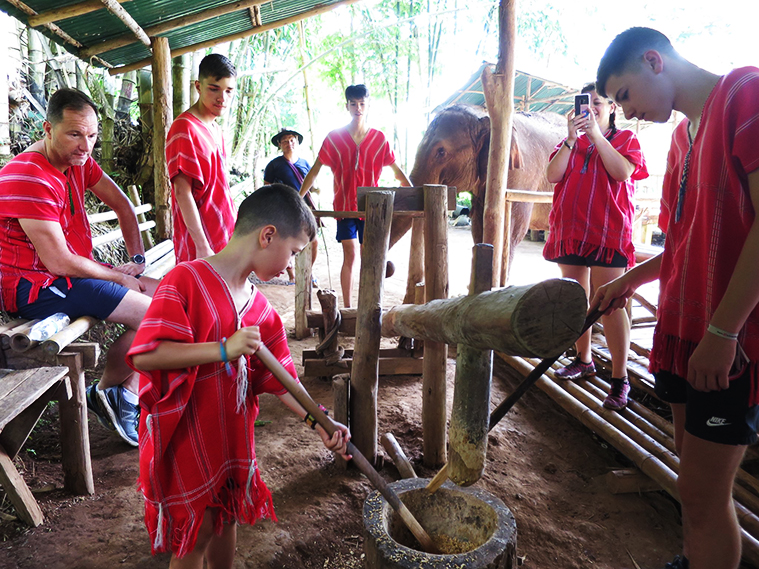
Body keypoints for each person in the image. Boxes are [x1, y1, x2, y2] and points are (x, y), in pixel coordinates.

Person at [593, 27, 759, 569]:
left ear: (653, 61)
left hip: (730, 343)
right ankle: (696, 558)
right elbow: (684, 244)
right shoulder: (685, 139)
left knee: (702, 494)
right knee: (692, 477)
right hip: (686, 333)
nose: (627, 112)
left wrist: (723, 331)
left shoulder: (745, 94)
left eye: (624, 96)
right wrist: (629, 280)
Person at [127, 184, 351, 568]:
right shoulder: (185, 281)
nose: (291, 265)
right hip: (189, 434)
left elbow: (281, 379)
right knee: (198, 531)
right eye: (294, 252)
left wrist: (321, 423)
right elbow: (147, 355)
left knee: (226, 513)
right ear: (267, 235)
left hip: (230, 437)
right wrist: (222, 350)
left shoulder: (260, 308)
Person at [0, 88, 159, 447]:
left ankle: (108, 392)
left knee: (169, 295)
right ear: (47, 129)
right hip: (36, 285)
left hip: (69, 275)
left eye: (91, 135)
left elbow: (122, 204)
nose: (84, 146)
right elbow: (57, 261)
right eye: (74, 134)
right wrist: (118, 277)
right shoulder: (28, 174)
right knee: (155, 315)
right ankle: (120, 394)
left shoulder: (79, 162)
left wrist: (135, 264)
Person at [544, 82, 649, 411]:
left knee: (611, 304)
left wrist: (596, 136)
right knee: (576, 297)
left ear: (613, 107)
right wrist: (574, 139)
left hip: (609, 233)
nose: (589, 108)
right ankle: (583, 359)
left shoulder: (626, 140)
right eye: (584, 103)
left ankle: (620, 379)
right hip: (570, 230)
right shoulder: (568, 143)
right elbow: (552, 175)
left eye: (598, 103)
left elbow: (621, 173)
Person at [298, 84, 411, 308]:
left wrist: (416, 193)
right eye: (353, 104)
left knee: (369, 257)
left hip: (372, 210)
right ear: (347, 106)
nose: (358, 108)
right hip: (344, 208)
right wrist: (298, 196)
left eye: (362, 103)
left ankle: (369, 305)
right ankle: (348, 308)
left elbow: (397, 172)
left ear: (368, 105)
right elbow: (315, 170)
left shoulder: (379, 140)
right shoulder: (334, 138)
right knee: (350, 255)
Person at [166, 53, 237, 264]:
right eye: (214, 89)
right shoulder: (184, 128)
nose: (222, 98)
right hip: (201, 243)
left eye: (229, 91)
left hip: (223, 235)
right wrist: (202, 245)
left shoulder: (216, 129)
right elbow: (182, 191)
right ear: (198, 86)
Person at [263, 128, 319, 283]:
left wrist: (316, 190)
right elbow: (266, 188)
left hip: (305, 208)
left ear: (297, 142)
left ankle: (309, 271)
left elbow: (311, 186)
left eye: (292, 140)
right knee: (286, 241)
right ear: (280, 145)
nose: (289, 143)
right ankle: (293, 276)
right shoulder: (273, 165)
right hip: (284, 209)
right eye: (285, 141)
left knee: (313, 241)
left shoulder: (306, 163)